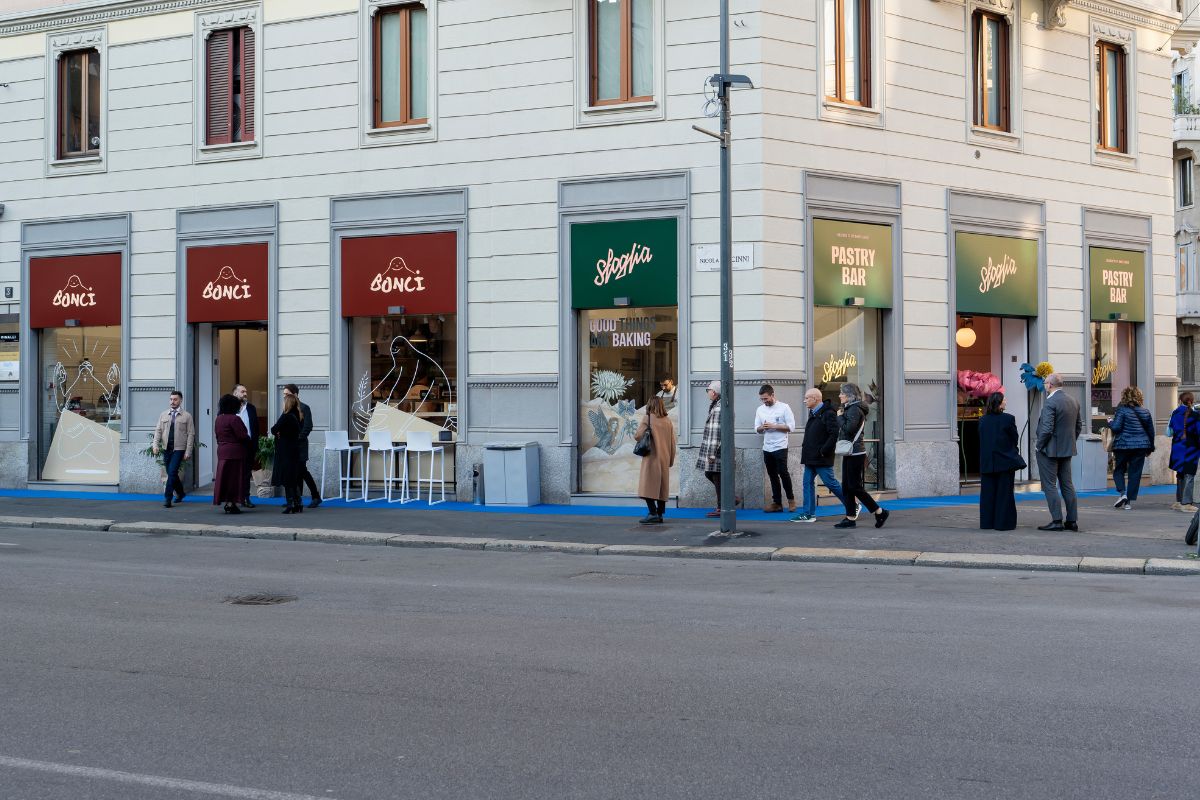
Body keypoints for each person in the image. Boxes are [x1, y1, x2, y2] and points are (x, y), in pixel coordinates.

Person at [833, 383, 889, 529]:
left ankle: (879, 511)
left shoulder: (854, 409)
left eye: (842, 393)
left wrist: (839, 417)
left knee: (854, 486)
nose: (839, 395)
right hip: (852, 452)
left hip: (855, 452)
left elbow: (848, 429)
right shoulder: (851, 408)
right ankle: (850, 518)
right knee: (846, 486)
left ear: (849, 395)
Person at [1034, 373, 1082, 531]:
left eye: (1045, 383)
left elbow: (1047, 429)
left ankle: (1056, 520)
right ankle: (1072, 521)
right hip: (1066, 449)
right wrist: (1069, 442)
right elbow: (1078, 426)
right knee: (1067, 485)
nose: (1044, 385)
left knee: (1050, 486)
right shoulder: (1073, 400)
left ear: (1050, 385)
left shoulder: (1050, 402)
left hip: (1049, 450)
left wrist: (1039, 445)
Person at [791, 388, 846, 523]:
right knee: (807, 483)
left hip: (821, 457)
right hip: (811, 456)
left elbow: (834, 434)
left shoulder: (828, 413)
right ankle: (808, 514)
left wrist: (823, 450)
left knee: (830, 483)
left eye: (807, 398)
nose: (804, 401)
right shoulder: (814, 412)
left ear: (815, 399)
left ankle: (852, 504)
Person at [978, 392, 1023, 531]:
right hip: (1005, 461)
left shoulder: (982, 420)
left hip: (987, 462)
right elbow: (1014, 439)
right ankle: (1003, 523)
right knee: (1004, 494)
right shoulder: (1008, 419)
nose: (1006, 401)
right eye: (1004, 399)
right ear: (999, 403)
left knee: (987, 494)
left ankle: (987, 523)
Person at [1108, 385, 1155, 511]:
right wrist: (1151, 447)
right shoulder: (1145, 412)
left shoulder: (1122, 410)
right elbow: (1151, 432)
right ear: (1139, 397)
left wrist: (1110, 422)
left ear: (1124, 396)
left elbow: (1116, 428)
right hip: (1141, 446)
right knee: (1135, 474)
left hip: (1123, 445)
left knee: (1119, 470)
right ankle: (1128, 502)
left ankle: (1122, 493)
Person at [697, 380, 737, 518]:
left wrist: (712, 453)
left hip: (718, 449)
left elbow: (716, 432)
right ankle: (730, 499)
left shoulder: (719, 408)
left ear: (713, 392)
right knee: (712, 474)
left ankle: (722, 506)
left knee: (716, 476)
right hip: (720, 448)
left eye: (708, 390)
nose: (707, 393)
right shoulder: (718, 405)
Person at [754, 384, 797, 512]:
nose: (764, 401)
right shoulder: (760, 409)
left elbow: (791, 427)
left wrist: (774, 426)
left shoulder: (784, 407)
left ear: (773, 395)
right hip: (767, 447)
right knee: (772, 475)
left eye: (766, 398)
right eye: (762, 399)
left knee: (783, 473)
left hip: (780, 446)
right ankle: (777, 503)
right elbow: (756, 429)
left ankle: (791, 500)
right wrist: (763, 427)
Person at [635, 396, 676, 525]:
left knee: (648, 486)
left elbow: (637, 436)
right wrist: (670, 460)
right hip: (664, 458)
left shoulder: (648, 418)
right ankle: (659, 514)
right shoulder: (668, 421)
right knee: (661, 488)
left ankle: (652, 513)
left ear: (650, 405)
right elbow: (672, 443)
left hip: (652, 458)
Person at [152, 389, 195, 509]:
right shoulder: (163, 414)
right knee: (173, 474)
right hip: (167, 448)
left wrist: (188, 451)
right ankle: (181, 493)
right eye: (171, 399)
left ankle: (168, 498)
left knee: (171, 472)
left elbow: (191, 434)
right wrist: (155, 445)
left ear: (180, 400)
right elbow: (158, 431)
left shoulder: (187, 416)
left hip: (179, 449)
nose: (172, 401)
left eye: (175, 399)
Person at [283, 383, 322, 508]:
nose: (284, 396)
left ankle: (315, 496)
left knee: (302, 471)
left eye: (287, 394)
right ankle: (296, 498)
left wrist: (297, 438)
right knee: (296, 472)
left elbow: (308, 427)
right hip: (290, 446)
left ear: (295, 394)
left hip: (300, 446)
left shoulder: (305, 408)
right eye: (284, 394)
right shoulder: (287, 408)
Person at [212, 393, 249, 514]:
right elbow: (242, 435)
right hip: (235, 452)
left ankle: (227, 502)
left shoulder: (219, 418)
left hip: (222, 449)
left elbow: (217, 435)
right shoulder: (235, 419)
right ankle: (231, 503)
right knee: (234, 479)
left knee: (224, 478)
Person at [271, 394, 304, 514]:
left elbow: (274, 429)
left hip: (285, 451)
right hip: (294, 450)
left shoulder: (286, 416)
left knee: (287, 479)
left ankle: (290, 504)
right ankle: (298, 503)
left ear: (287, 404)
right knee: (293, 478)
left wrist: (279, 433)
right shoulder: (298, 415)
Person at [1168, 392, 1200, 512]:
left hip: (1177, 448)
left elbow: (1171, 429)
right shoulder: (1195, 416)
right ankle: (1186, 503)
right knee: (1189, 475)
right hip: (1190, 449)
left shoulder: (1175, 413)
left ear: (1180, 401)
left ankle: (1179, 501)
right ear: (1191, 401)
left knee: (1180, 475)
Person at [233, 384, 260, 509]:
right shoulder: (229, 408)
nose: (245, 394)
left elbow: (256, 428)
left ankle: (246, 497)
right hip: (234, 446)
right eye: (242, 391)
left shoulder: (251, 408)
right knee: (234, 473)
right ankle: (233, 499)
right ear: (235, 393)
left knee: (246, 473)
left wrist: (255, 444)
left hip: (248, 445)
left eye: (246, 391)